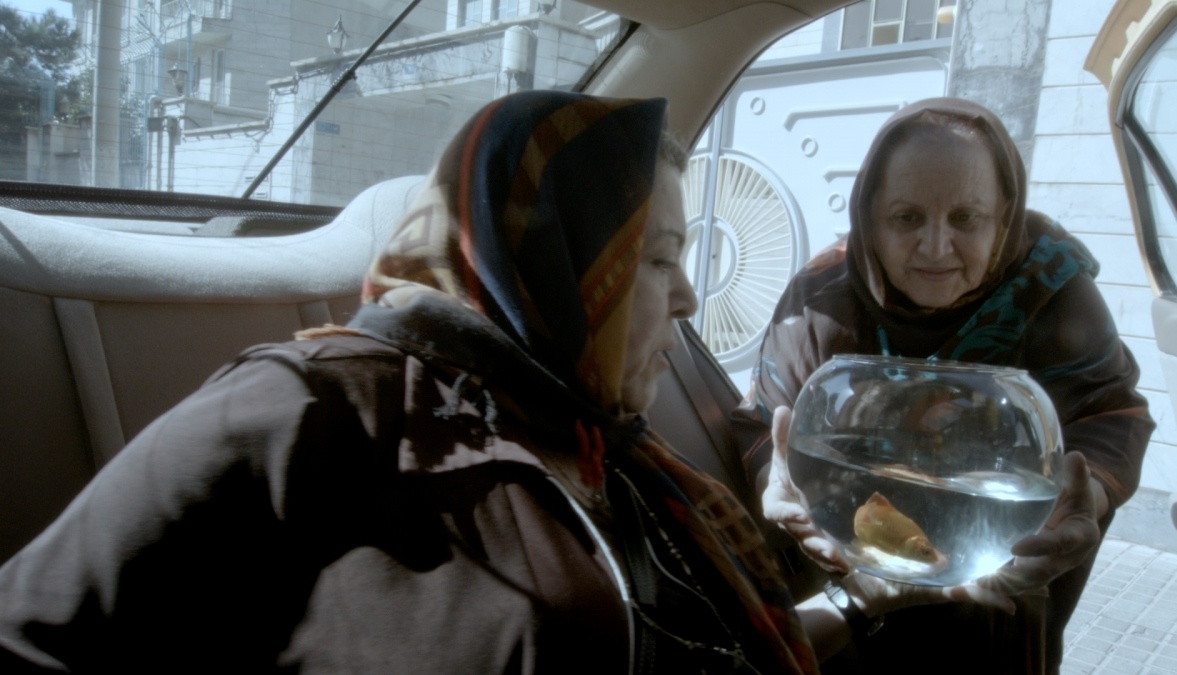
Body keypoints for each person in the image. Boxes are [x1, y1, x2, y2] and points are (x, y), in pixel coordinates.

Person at [0, 91, 1030, 673]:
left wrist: (866, 599)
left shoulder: (608, 447)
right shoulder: (309, 403)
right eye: (658, 259)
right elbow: (34, 631)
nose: (685, 299)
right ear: (555, 268)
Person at [734, 97, 1156, 674]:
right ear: (869, 215)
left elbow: (1112, 413)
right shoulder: (822, 297)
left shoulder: (1052, 291)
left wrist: (1087, 497)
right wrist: (776, 479)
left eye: (966, 218)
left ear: (1003, 215)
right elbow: (764, 420)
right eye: (907, 218)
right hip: (847, 603)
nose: (936, 247)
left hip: (996, 610)